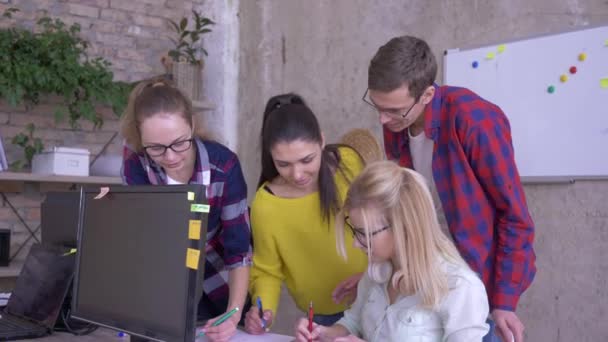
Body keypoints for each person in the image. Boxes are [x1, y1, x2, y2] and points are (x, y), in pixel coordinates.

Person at [362, 35, 536, 342]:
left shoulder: (474, 119)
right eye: (378, 106)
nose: (383, 119)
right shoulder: (397, 123)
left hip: (474, 282)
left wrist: (504, 302)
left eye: (394, 111)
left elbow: (514, 216)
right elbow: (407, 212)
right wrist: (378, 277)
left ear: (427, 95)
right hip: (425, 276)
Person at [295, 161, 490, 341]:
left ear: (404, 227)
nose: (356, 243)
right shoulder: (376, 271)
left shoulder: (460, 288)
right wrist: (324, 334)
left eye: (364, 233)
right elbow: (353, 323)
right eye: (355, 231)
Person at [119, 78, 251, 342]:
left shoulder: (223, 166)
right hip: (164, 289)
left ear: (192, 124)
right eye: (156, 148)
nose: (170, 157)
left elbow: (239, 252)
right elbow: (145, 243)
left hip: (221, 287)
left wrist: (233, 315)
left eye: (180, 143)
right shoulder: (136, 166)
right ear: (140, 138)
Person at [244, 93, 367, 334]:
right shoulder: (266, 204)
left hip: (375, 298)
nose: (297, 174)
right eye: (284, 164)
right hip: (323, 318)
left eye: (307, 159)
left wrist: (368, 277)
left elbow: (385, 223)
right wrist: (264, 312)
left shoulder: (348, 164)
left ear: (322, 140)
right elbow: (267, 271)